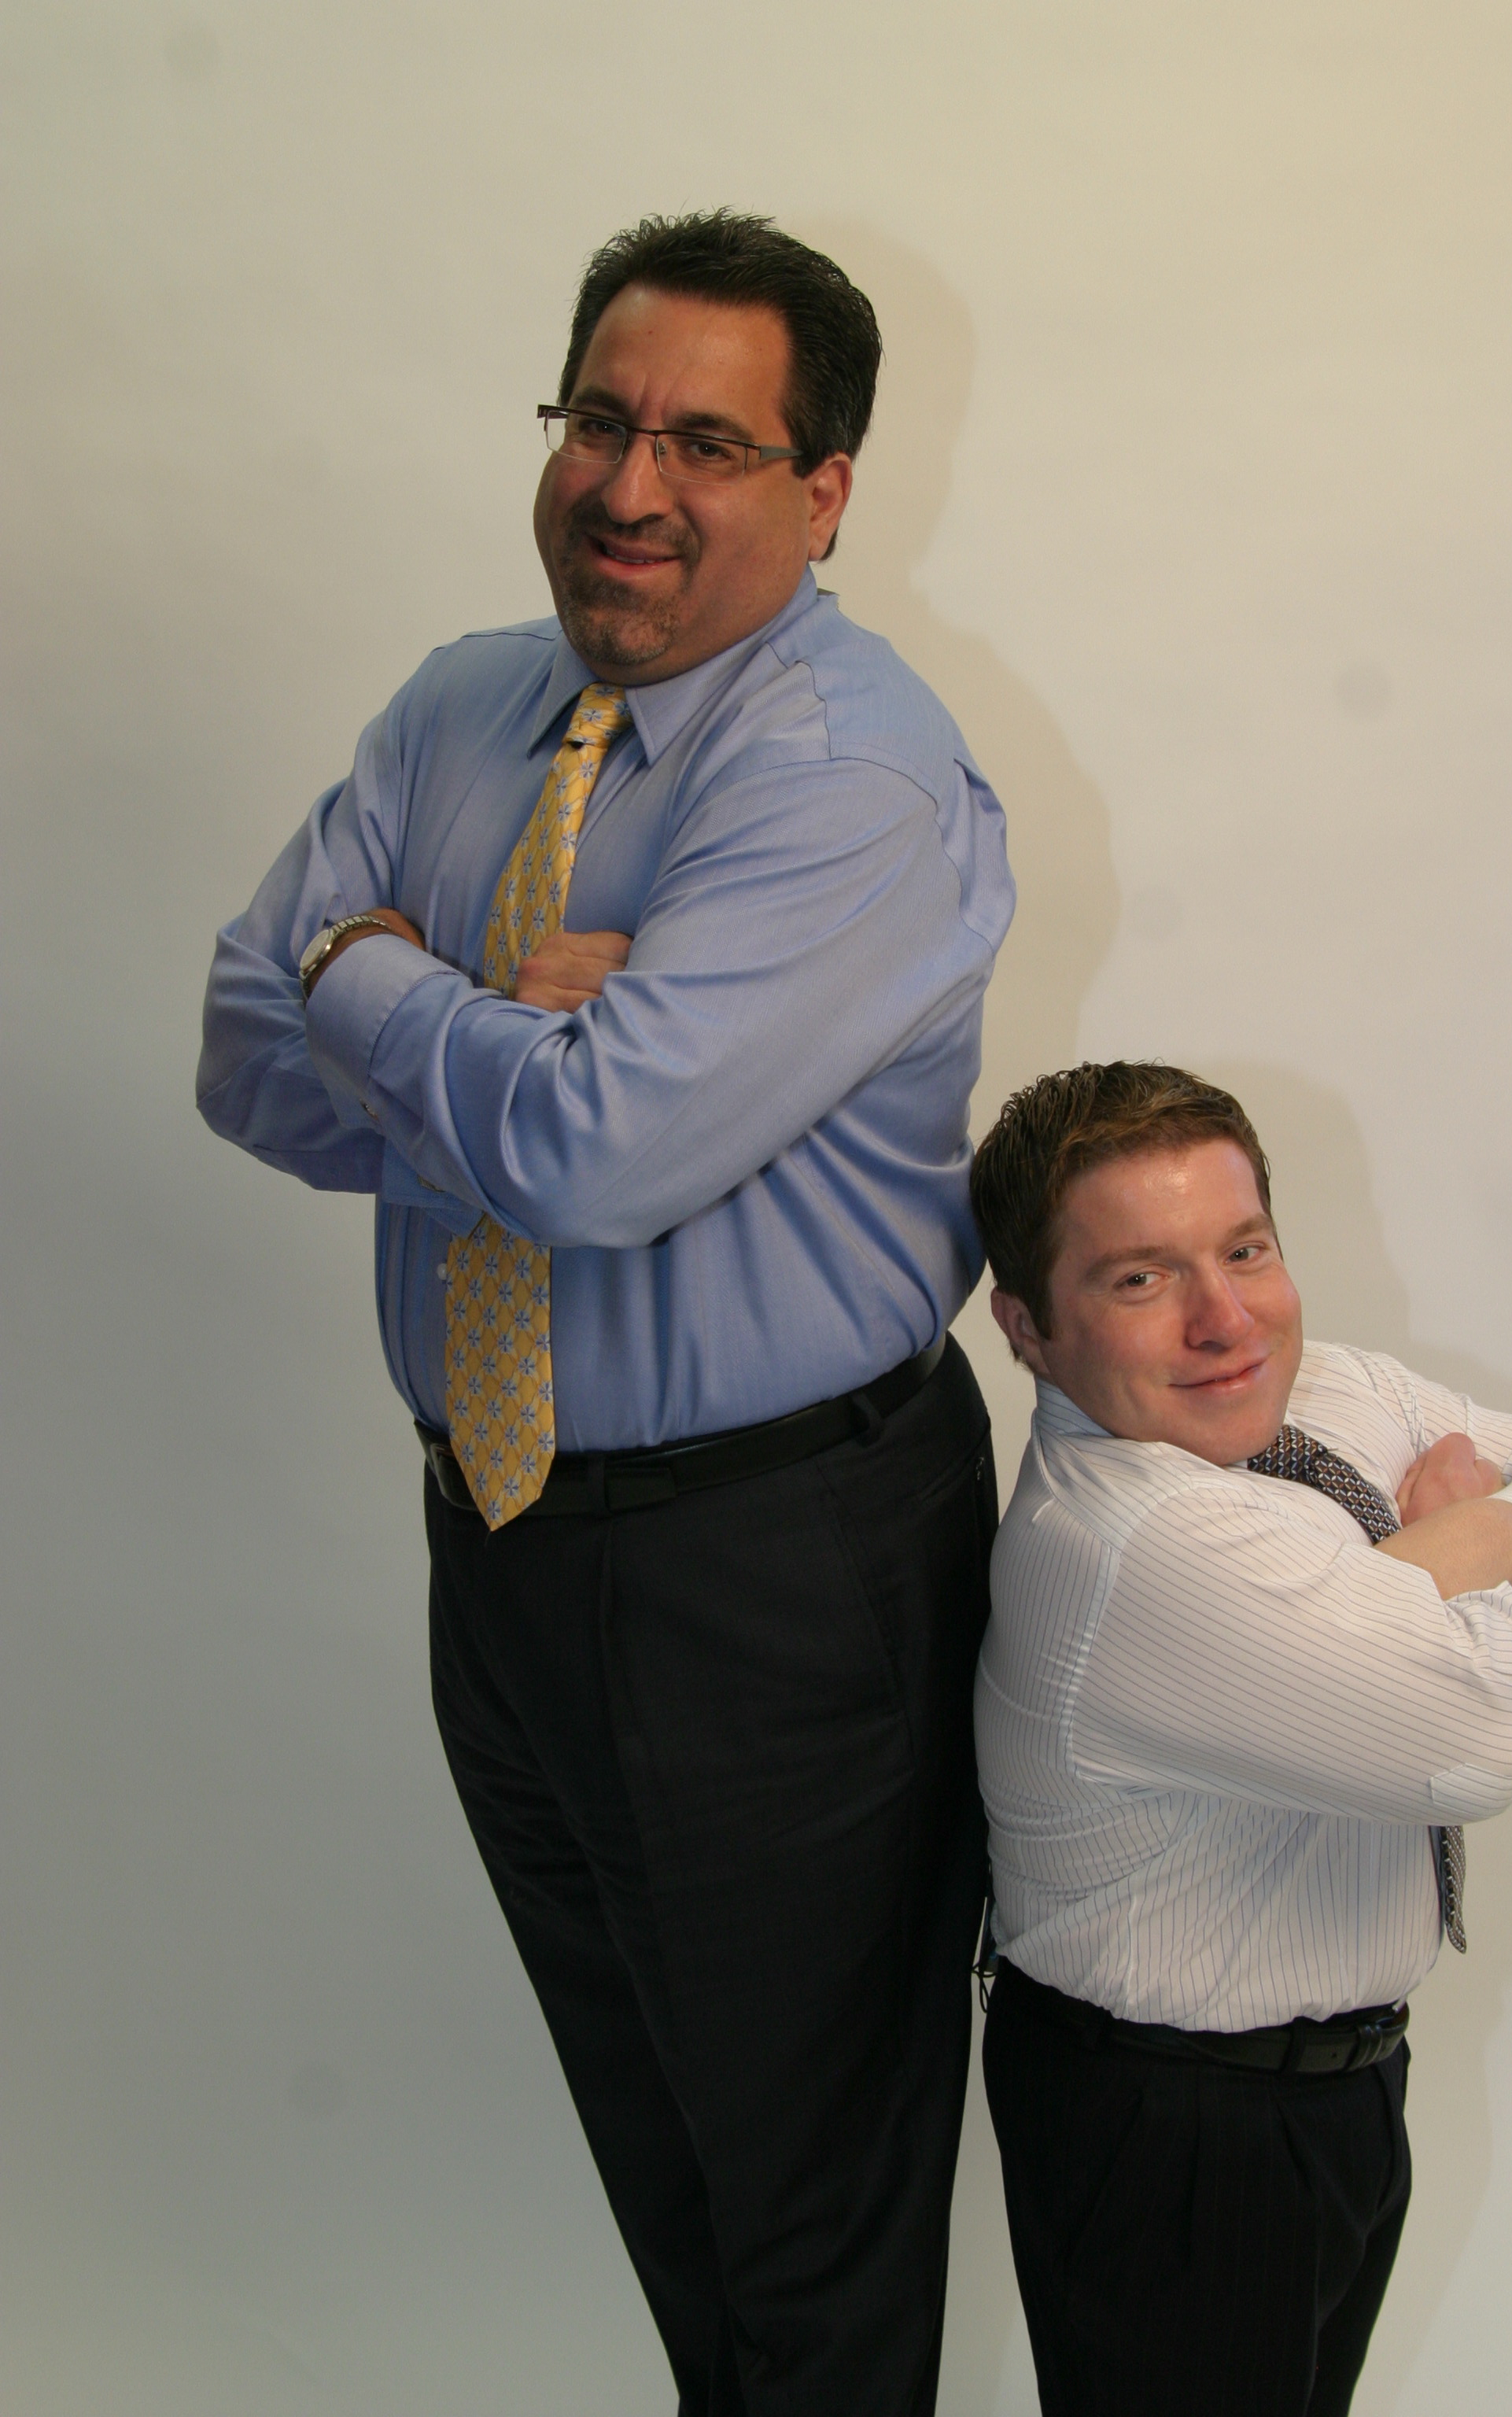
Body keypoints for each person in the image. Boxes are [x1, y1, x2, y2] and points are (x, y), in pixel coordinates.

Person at [197, 212, 1015, 2416]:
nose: (629, 487)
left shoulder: (845, 774)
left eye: (707, 445)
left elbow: (575, 1152)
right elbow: (243, 1056)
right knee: (670, 2176)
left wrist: (384, 982)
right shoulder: (460, 706)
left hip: (778, 1580)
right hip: (504, 1537)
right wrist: (518, 1061)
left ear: (823, 491)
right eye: (598, 419)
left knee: (804, 2226)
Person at [968, 1061, 1512, 2417]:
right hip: (1180, 2140)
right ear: (1027, 1327)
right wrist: (1486, 1544)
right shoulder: (1131, 1541)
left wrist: (1436, 1557)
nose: (1226, 1320)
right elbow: (1480, 1737)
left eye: (1245, 1250)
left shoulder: (1327, 1395)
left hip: (1337, 2091)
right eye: (1140, 1279)